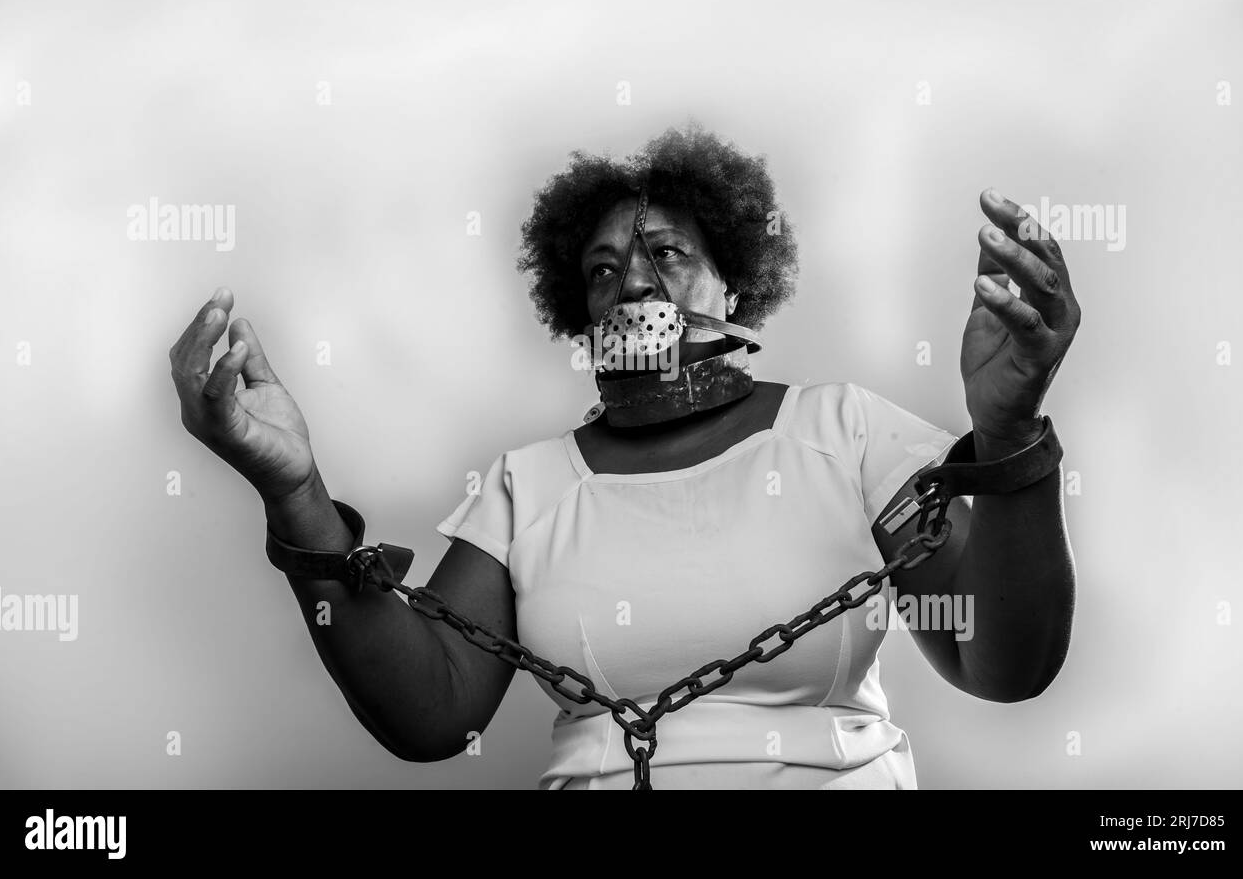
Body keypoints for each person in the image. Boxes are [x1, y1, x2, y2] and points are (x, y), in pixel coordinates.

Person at [168, 123, 1080, 789]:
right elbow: (430, 716)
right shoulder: (529, 485)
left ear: (735, 282)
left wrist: (1008, 437)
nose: (633, 281)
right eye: (603, 269)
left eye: (667, 253)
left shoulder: (846, 432)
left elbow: (1004, 664)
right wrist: (295, 490)